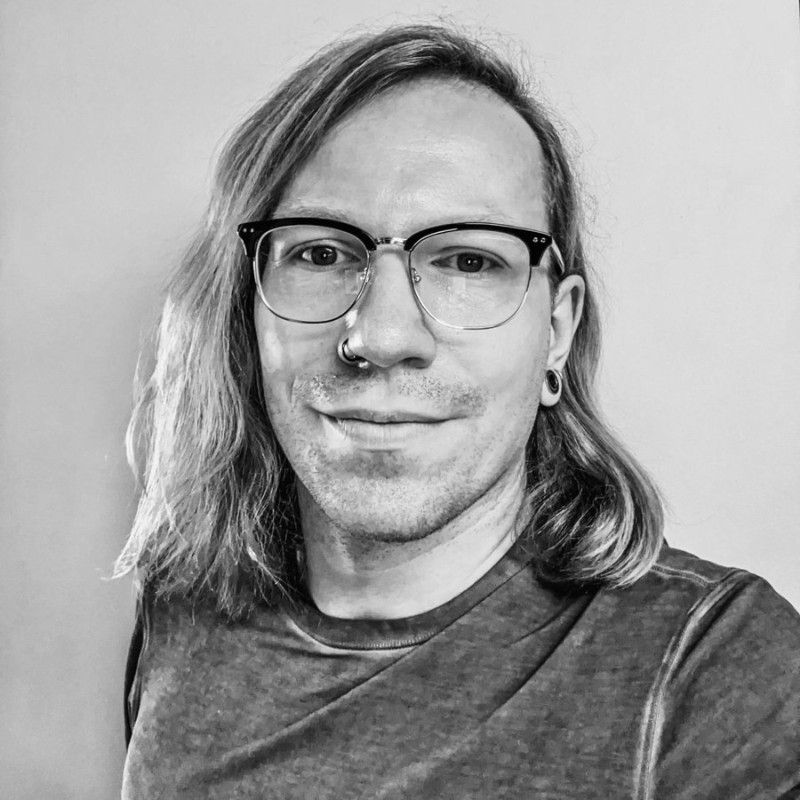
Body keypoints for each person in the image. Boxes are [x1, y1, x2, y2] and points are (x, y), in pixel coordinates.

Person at [117, 23, 800, 799]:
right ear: (248, 310)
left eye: (469, 261)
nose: (382, 335)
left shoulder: (713, 669)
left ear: (558, 333)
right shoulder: (182, 613)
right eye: (319, 253)